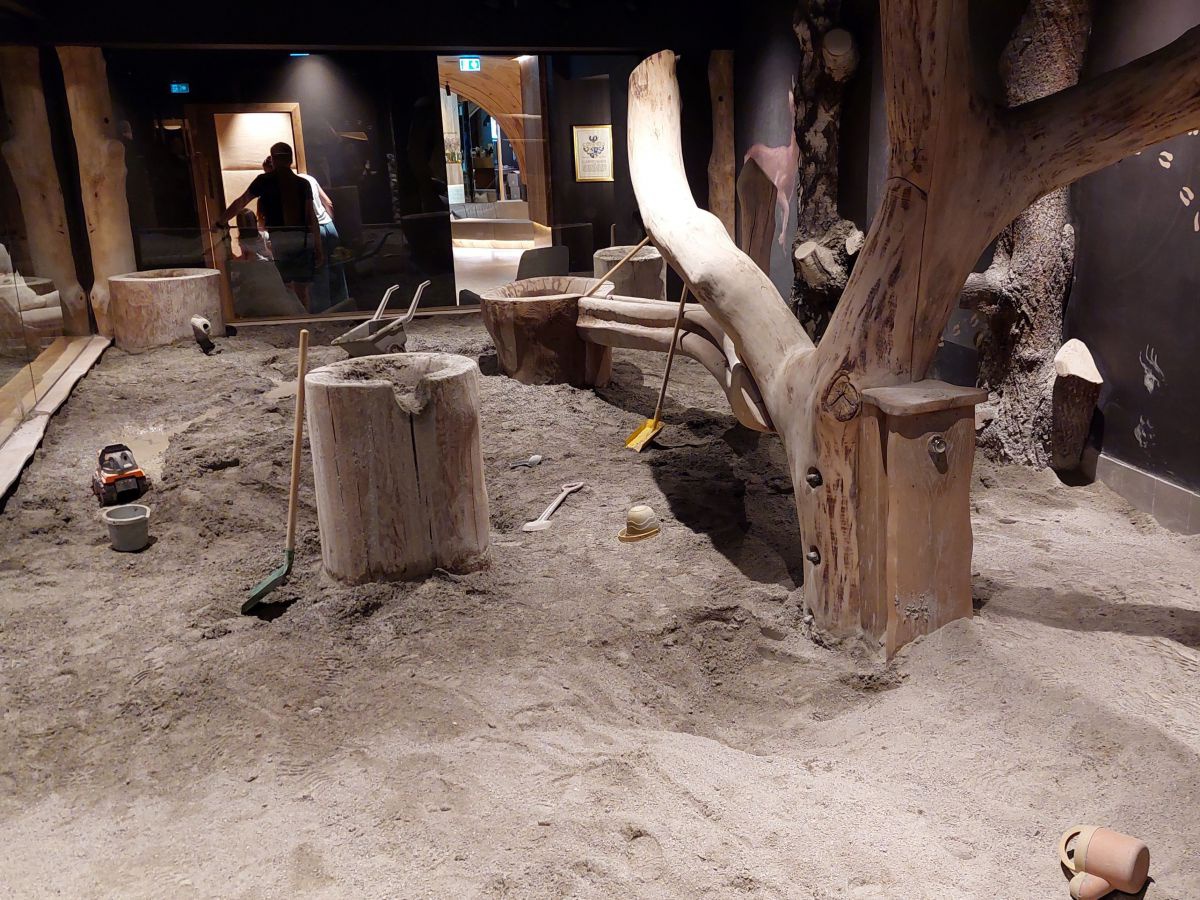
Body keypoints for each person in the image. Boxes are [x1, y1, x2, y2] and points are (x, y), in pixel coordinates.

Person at [215, 142, 322, 310]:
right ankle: (304, 321)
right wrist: (318, 246)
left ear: (273, 159)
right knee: (302, 289)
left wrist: (221, 221)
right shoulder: (302, 184)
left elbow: (241, 202)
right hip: (303, 238)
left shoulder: (264, 181)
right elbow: (312, 217)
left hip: (280, 238)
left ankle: (295, 321)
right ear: (290, 159)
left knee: (286, 286)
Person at [263, 154, 347, 312]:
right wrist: (330, 223)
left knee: (317, 277)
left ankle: (324, 317)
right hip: (329, 226)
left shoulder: (287, 187)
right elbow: (329, 203)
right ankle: (345, 310)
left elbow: (305, 217)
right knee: (337, 270)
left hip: (314, 231)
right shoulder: (308, 178)